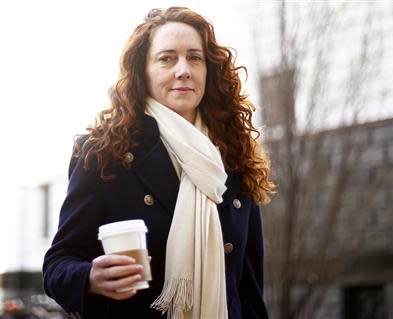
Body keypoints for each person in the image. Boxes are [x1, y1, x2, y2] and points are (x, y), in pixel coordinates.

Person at [43, 6, 274, 319]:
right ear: (144, 71)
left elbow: (249, 288)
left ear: (209, 70)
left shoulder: (234, 157)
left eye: (195, 57)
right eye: (167, 58)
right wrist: (89, 278)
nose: (183, 70)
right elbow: (58, 263)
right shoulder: (106, 152)